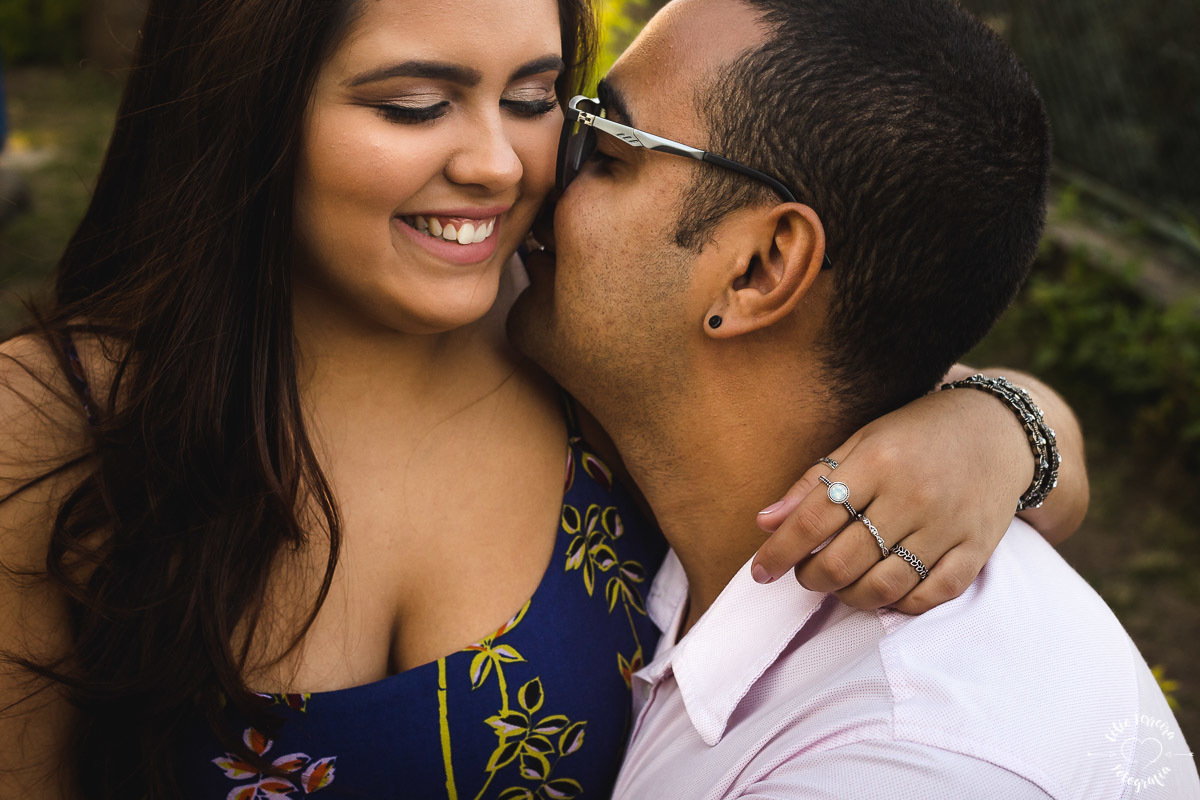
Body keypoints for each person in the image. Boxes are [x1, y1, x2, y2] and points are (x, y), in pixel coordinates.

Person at [0, 0, 1089, 797]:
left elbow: (836, 364)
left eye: (536, 102)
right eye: (417, 103)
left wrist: (998, 424)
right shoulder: (62, 421)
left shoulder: (576, 337)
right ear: (256, 114)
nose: (502, 165)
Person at [507, 0, 1200, 797]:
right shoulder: (694, 494)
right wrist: (1014, 421)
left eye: (605, 147)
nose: (528, 168)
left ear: (761, 268)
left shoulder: (904, 761)